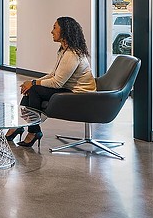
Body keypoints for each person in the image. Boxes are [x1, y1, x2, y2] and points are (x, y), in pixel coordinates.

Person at [6, 16, 97, 148]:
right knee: (32, 89)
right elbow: (53, 75)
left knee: (35, 90)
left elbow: (57, 83)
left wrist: (33, 84)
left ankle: (32, 131)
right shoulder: (63, 51)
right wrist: (32, 82)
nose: (51, 31)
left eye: (55, 28)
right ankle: (23, 127)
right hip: (70, 90)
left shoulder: (72, 54)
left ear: (65, 31)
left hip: (80, 95)